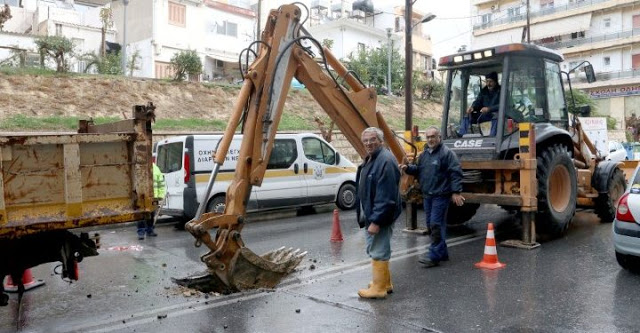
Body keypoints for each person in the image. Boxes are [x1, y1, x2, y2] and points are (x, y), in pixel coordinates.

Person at [400, 126, 465, 268]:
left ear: (439, 137)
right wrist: (408, 169)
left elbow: (455, 173)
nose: (430, 139)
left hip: (441, 195)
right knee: (432, 225)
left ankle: (434, 256)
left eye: (433, 136)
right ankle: (442, 253)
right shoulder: (424, 155)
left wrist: (456, 192)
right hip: (428, 196)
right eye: (428, 137)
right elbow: (419, 170)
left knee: (435, 224)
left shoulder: (447, 154)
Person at [355, 127, 402, 299]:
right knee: (377, 247)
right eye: (366, 140)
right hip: (373, 214)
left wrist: (376, 221)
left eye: (372, 139)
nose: (368, 143)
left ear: (380, 141)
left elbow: (387, 197)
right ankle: (384, 283)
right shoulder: (373, 158)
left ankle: (379, 288)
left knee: (378, 250)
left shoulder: (385, 161)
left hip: (379, 216)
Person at [460, 71, 501, 136]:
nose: (488, 84)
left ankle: (492, 137)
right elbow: (478, 101)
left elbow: (504, 105)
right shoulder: (484, 91)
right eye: (487, 81)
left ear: (495, 81)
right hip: (484, 115)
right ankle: (461, 134)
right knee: (468, 115)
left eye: (490, 81)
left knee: (497, 116)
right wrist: (472, 107)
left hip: (497, 115)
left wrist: (489, 109)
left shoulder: (501, 90)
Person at [138, 162, 166, 240]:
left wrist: (160, 196)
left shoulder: (155, 168)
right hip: (142, 197)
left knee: (151, 215)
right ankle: (141, 232)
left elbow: (160, 183)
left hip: (153, 197)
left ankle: (149, 230)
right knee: (141, 215)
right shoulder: (139, 167)